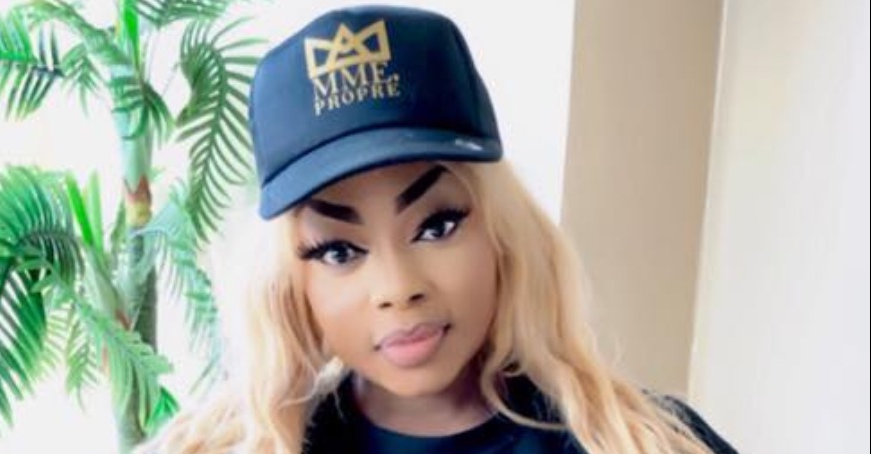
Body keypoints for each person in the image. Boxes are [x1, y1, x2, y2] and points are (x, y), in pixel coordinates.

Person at [141, 5, 738, 454]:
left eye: (437, 226)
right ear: (291, 284)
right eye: (340, 251)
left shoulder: (648, 443)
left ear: (502, 232)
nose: (397, 287)